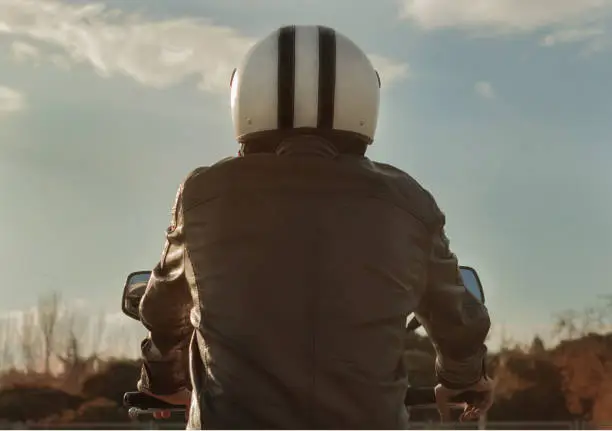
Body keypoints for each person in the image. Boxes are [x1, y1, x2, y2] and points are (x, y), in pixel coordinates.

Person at [136, 24, 493, 429]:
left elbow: (164, 311)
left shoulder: (202, 196)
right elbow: (458, 322)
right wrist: (462, 382)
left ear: (246, 98)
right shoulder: (408, 203)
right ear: (362, 102)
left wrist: (163, 377)